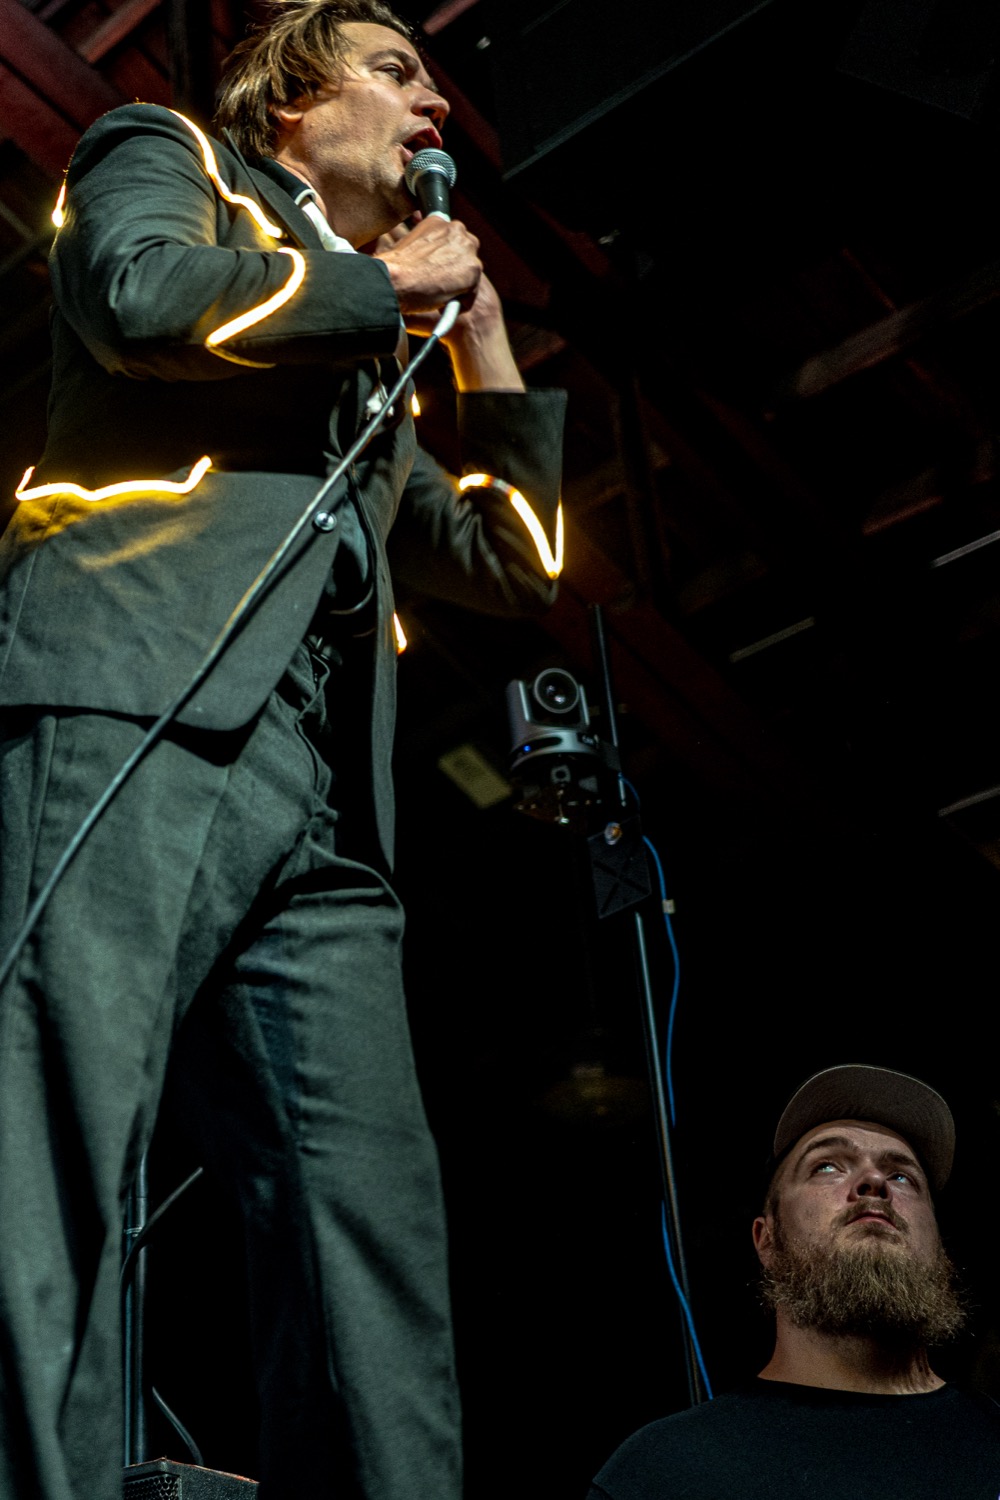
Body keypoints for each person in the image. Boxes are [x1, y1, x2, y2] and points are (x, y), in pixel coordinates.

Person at [0, 3, 565, 1498]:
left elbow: (513, 567)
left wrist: (481, 346)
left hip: (321, 809)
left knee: (363, 1213)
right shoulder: (170, 154)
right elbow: (135, 295)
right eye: (396, 71)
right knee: (58, 1126)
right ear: (291, 104)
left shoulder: (373, 369)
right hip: (137, 692)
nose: (435, 103)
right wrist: (381, 283)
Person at [589, 1064, 1000, 1499]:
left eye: (902, 1176)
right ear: (766, 1241)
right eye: (827, 1166)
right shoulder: (661, 1472)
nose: (875, 1181)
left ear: (940, 1248)